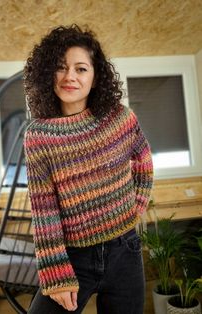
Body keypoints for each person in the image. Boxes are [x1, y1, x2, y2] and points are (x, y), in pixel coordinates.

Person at [23, 24, 153, 314]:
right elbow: (44, 208)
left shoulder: (119, 117)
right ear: (48, 75)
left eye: (81, 69)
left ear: (95, 79)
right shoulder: (39, 135)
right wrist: (55, 271)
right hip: (73, 257)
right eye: (61, 68)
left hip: (125, 252)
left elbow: (143, 159)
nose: (70, 76)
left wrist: (136, 204)